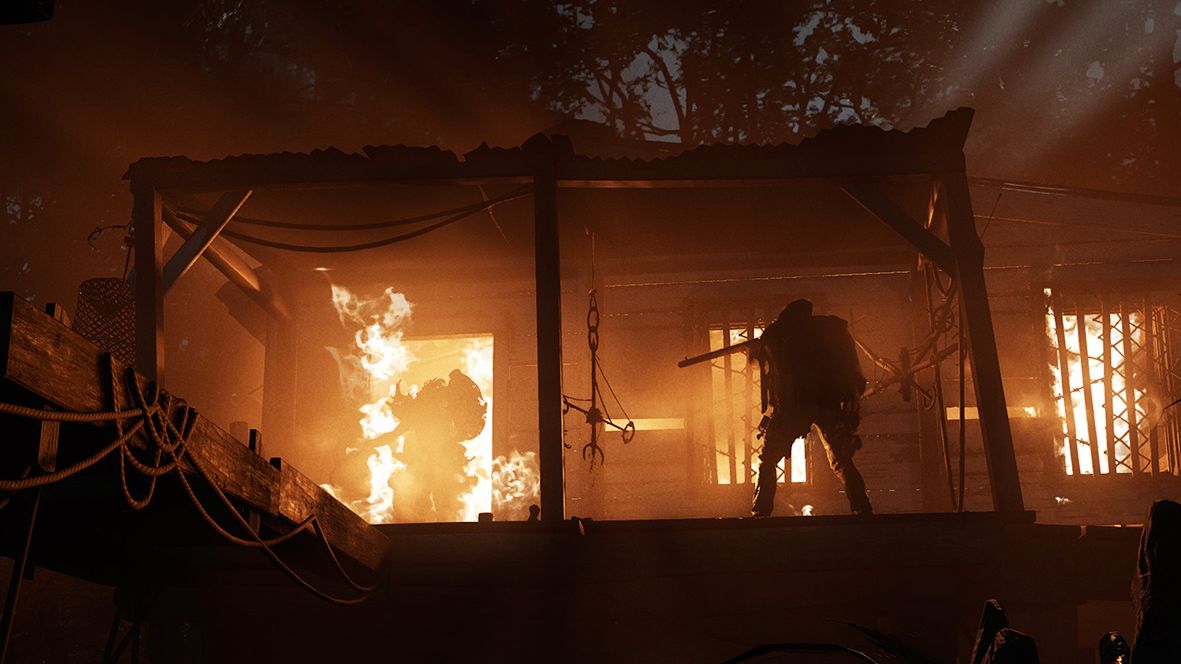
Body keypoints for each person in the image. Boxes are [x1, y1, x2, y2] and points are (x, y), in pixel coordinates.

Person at [748, 298, 871, 517]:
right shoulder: (828, 330)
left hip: (791, 408)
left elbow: (762, 366)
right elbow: (849, 365)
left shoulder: (776, 334)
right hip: (827, 403)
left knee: (767, 461)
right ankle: (862, 506)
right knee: (841, 459)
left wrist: (756, 350)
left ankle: (760, 511)